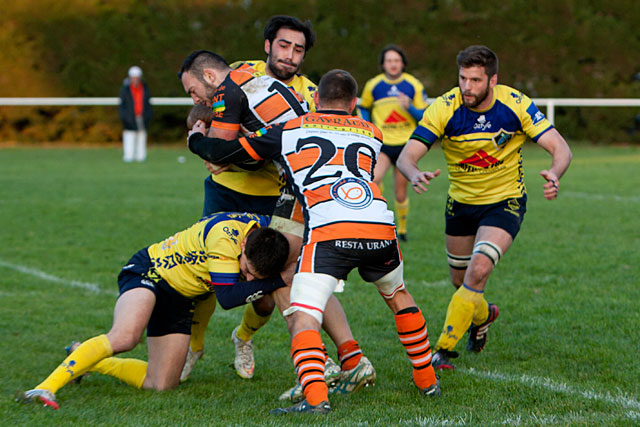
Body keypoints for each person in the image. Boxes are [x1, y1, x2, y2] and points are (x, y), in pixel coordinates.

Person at [188, 69, 441, 414]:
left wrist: (196, 139)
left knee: (305, 315)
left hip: (329, 231)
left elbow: (228, 151)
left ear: (316, 101)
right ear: (354, 104)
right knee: (399, 296)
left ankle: (316, 400)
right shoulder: (373, 131)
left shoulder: (291, 128)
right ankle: (427, 382)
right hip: (378, 225)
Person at [178, 47, 375, 398]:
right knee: (304, 275)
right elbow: (260, 150)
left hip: (300, 191)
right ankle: (352, 358)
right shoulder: (259, 82)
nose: (195, 98)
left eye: (193, 90)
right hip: (333, 189)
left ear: (209, 77)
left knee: (277, 273)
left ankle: (318, 364)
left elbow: (217, 150)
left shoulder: (228, 89)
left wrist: (196, 138)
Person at [397, 45, 573, 370]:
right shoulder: (444, 108)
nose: (467, 87)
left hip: (504, 201)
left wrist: (555, 172)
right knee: (460, 281)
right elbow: (407, 155)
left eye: (476, 80)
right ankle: (483, 315)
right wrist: (414, 172)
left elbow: (560, 147)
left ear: (493, 80)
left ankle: (442, 352)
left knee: (479, 270)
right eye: (463, 78)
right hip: (461, 205)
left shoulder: (515, 104)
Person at [17, 212, 289, 410]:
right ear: (243, 246)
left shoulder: (266, 236)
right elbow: (227, 298)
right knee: (125, 337)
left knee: (161, 385)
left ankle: (88, 358)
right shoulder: (224, 238)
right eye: (247, 271)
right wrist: (279, 280)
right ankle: (45, 387)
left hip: (181, 296)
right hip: (150, 273)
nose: (250, 279)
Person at [359, 45, 429, 241]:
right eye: (389, 60)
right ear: (383, 64)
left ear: (403, 64)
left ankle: (403, 230)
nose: (393, 64)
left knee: (400, 193)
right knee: (373, 180)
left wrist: (410, 108)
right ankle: (377, 221)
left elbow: (425, 116)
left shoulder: (413, 84)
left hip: (406, 146)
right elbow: (363, 107)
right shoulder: (373, 85)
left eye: (396, 60)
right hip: (383, 144)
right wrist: (367, 124)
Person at [118, 66, 152, 162]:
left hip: (142, 116)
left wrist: (148, 115)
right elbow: (122, 105)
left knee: (141, 136)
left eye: (137, 78)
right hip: (129, 117)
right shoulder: (125, 89)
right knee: (129, 136)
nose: (135, 80)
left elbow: (147, 103)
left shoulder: (144, 88)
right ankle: (128, 156)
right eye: (133, 78)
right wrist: (125, 117)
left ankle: (141, 156)